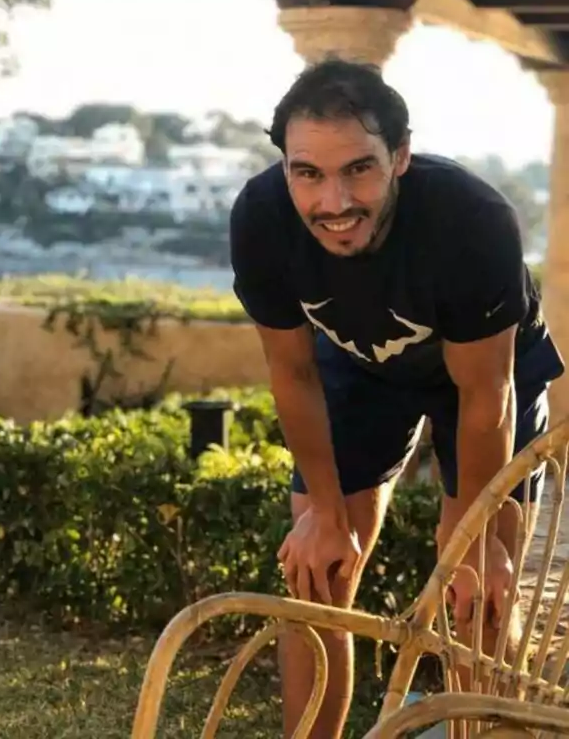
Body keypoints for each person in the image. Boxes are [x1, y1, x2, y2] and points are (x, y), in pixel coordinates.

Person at [229, 57, 564, 737]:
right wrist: (324, 511)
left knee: (477, 594)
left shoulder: (472, 223)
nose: (334, 202)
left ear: (401, 156)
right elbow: (292, 374)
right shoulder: (263, 220)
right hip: (358, 360)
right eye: (309, 173)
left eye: (360, 169)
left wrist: (471, 542)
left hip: (485, 374)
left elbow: (486, 396)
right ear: (285, 166)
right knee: (316, 578)